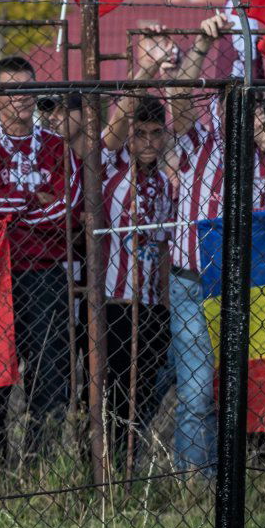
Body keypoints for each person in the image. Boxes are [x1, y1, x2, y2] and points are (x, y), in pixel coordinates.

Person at [167, 14, 265, 475]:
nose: (242, 111)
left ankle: (238, 475)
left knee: (242, 388)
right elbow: (179, 98)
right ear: (219, 106)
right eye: (233, 102)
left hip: (246, 289)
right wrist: (203, 46)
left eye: (253, 105)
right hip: (193, 282)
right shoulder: (197, 143)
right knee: (198, 390)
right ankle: (193, 481)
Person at [0, 55, 81, 463]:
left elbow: (69, 209)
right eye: (11, 89)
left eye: (28, 88)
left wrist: (8, 203)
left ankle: (39, 465)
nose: (21, 97)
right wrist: (36, 200)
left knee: (50, 373)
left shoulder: (57, 146)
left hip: (47, 274)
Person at [98, 94, 175, 466]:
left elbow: (162, 247)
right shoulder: (110, 170)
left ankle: (129, 457)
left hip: (150, 303)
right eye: (139, 133)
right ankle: (104, 461)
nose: (148, 142)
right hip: (113, 300)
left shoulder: (164, 184)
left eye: (155, 133)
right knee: (112, 387)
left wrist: (165, 303)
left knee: (143, 387)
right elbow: (109, 138)